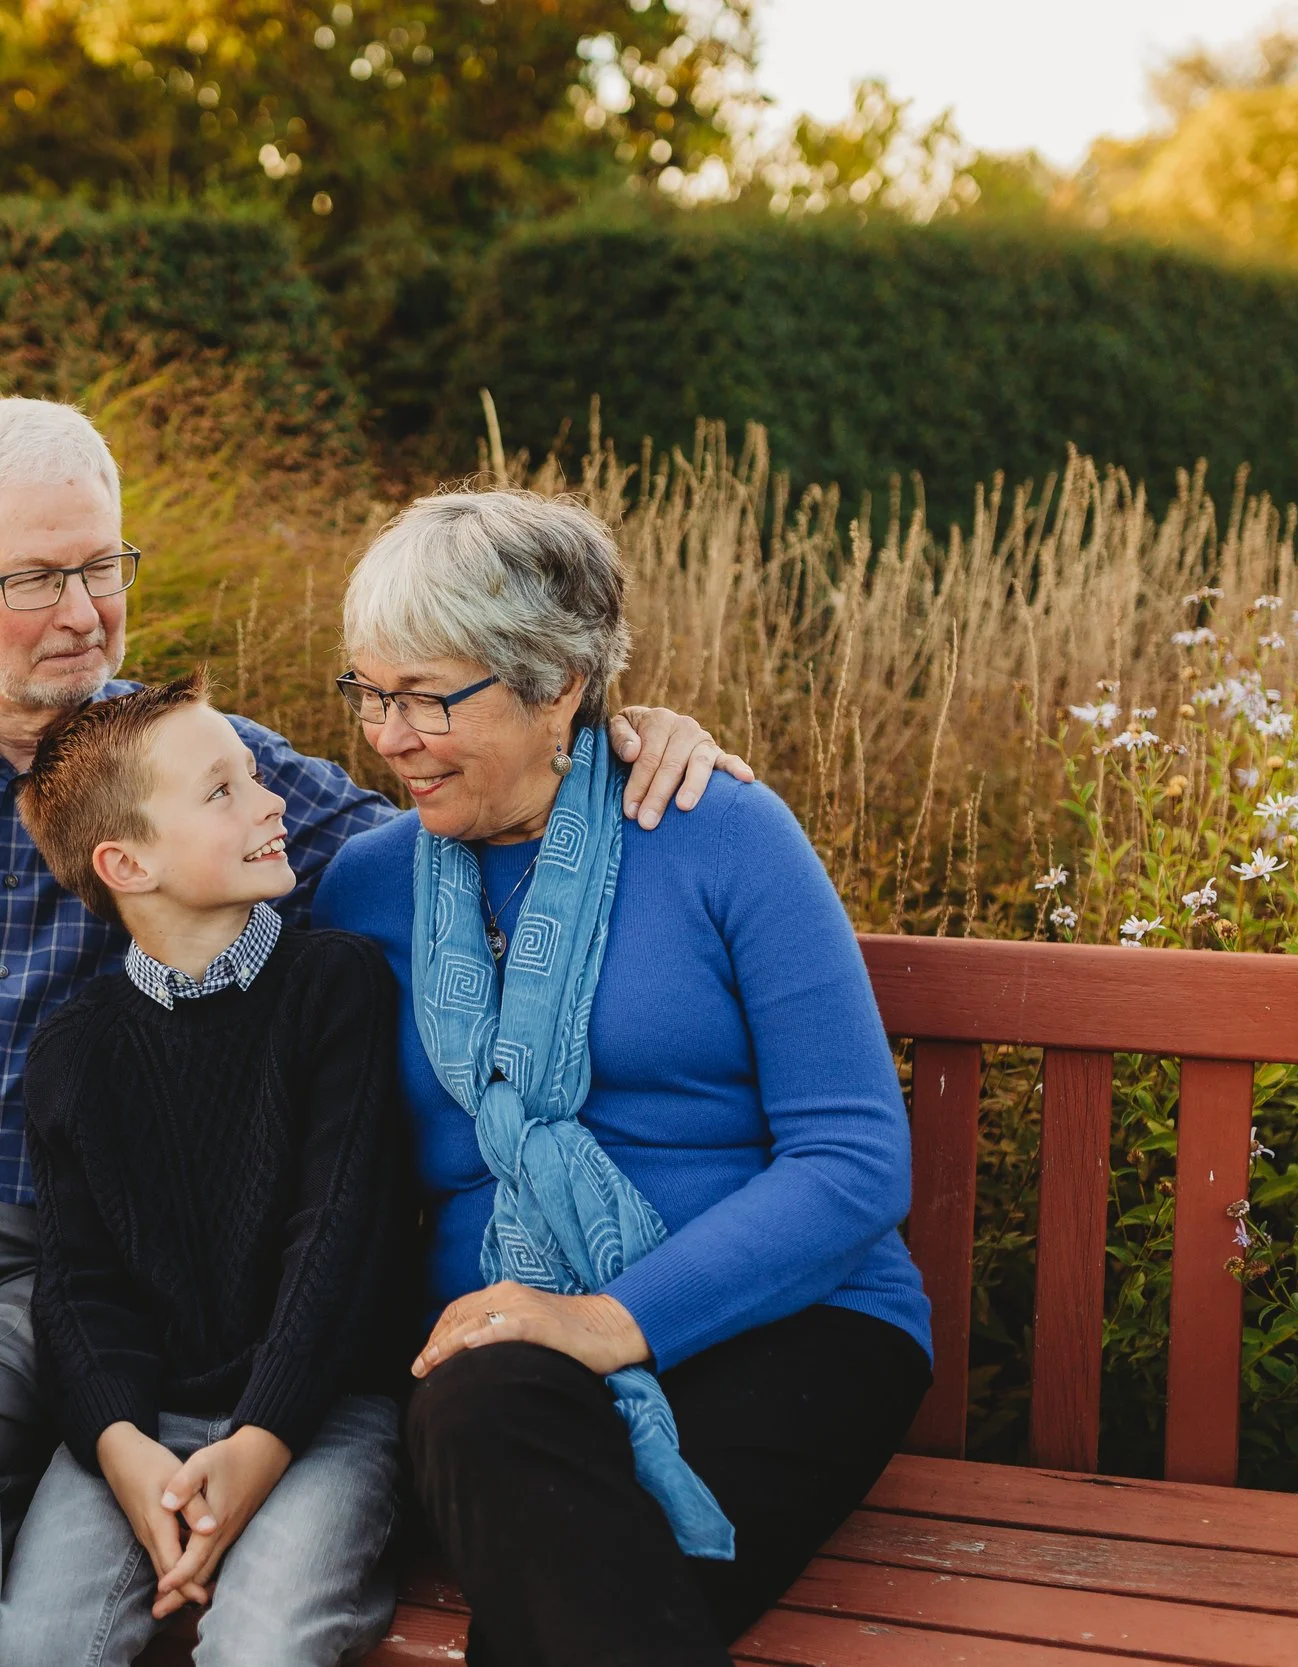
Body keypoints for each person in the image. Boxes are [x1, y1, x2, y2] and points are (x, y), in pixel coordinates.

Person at [0, 396, 751, 1667]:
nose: (81, 608)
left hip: (54, 1290)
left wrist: (617, 735)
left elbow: (458, 822)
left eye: (102, 564)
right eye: (34, 576)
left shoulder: (204, 768)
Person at [314, 489, 933, 1667]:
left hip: (794, 1327)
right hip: (498, 1379)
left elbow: (852, 1162)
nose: (388, 735)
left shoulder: (720, 829)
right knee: (478, 1401)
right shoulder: (362, 882)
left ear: (557, 685)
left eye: (428, 696)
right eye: (369, 692)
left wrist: (608, 1321)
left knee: (550, 1614)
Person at [0, 673, 410, 1667]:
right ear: (125, 861)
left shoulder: (333, 986)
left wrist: (261, 1436)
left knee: (262, 1640)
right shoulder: (75, 1051)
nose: (271, 801)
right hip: (142, 1419)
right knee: (40, 1643)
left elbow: (338, 1240)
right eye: (221, 790)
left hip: (324, 1409)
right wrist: (118, 1446)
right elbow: (77, 1288)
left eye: (254, 775)